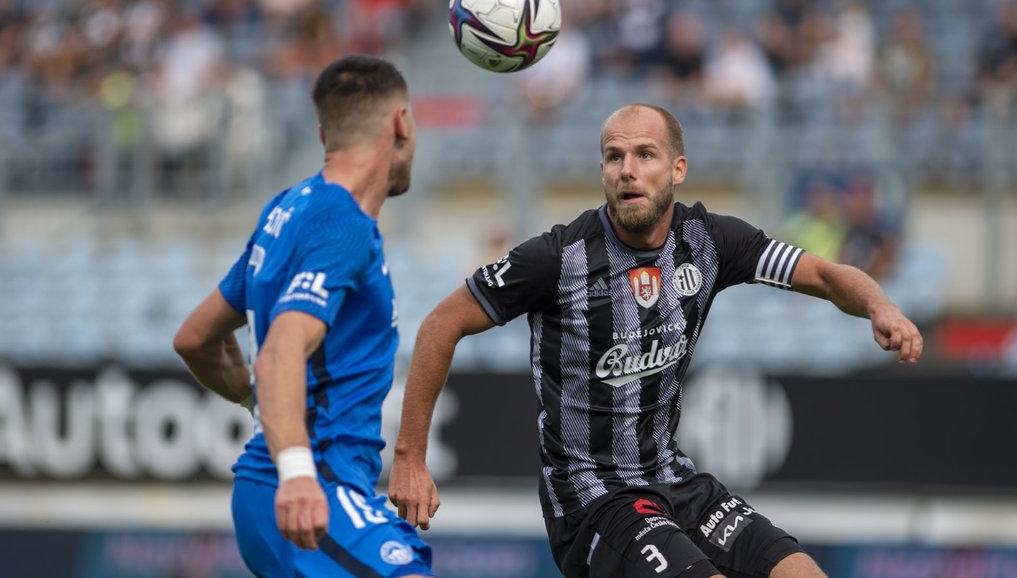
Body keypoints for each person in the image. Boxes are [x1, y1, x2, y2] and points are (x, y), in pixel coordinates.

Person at [389, 103, 923, 578]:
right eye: (614, 157)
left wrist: (882, 305)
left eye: (645, 155)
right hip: (592, 499)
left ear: (677, 169)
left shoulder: (711, 240)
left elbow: (827, 276)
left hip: (675, 481)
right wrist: (410, 457)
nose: (628, 170)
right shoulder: (557, 258)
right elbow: (441, 323)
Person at [173, 55, 435, 578]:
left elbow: (196, 338)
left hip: (273, 488)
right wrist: (295, 471)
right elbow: (280, 351)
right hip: (311, 487)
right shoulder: (344, 228)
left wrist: (264, 403)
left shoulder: (287, 208)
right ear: (401, 123)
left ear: (322, 133)